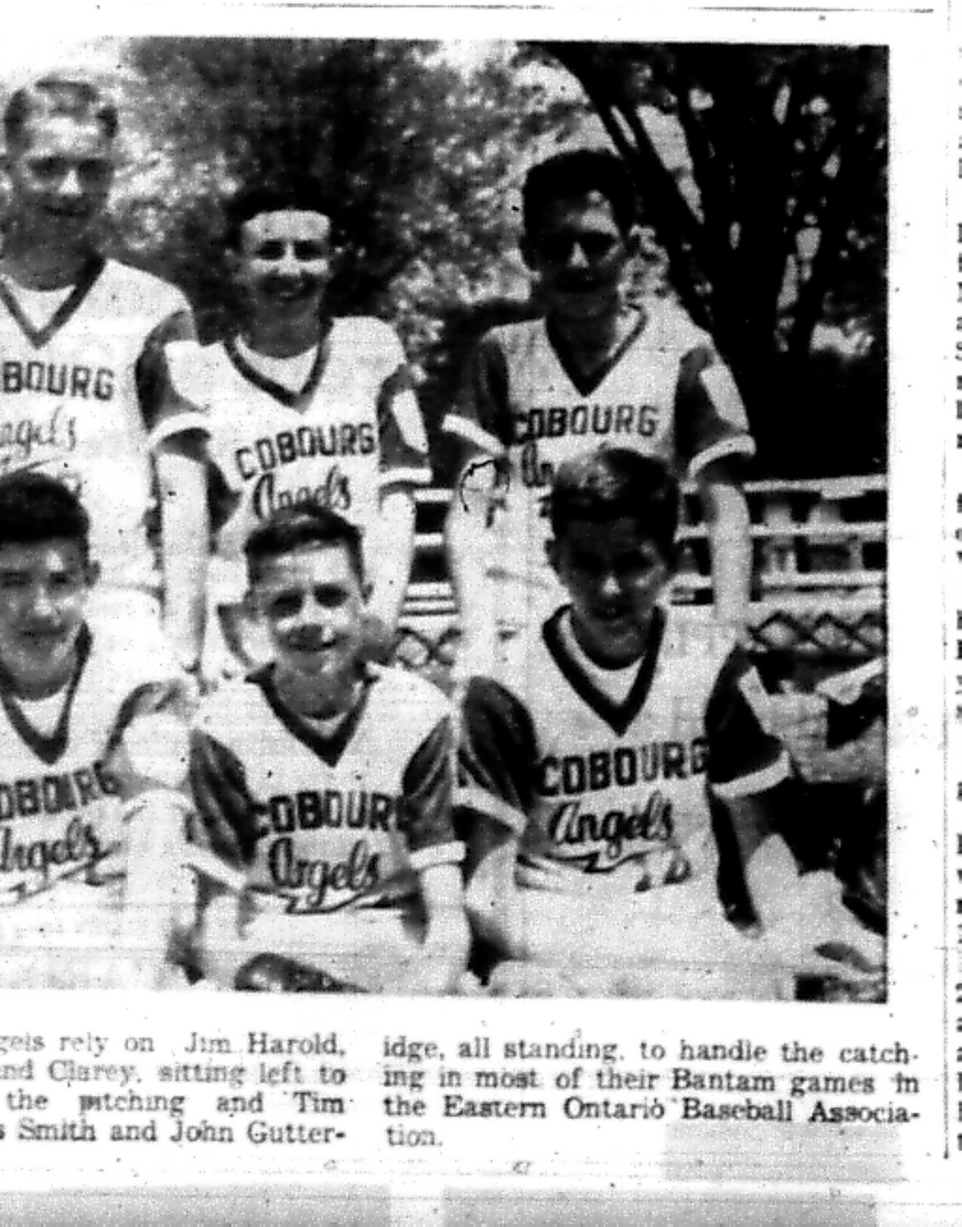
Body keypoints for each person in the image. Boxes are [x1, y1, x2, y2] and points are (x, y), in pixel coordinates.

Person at [457, 449, 883, 999]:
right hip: (555, 924)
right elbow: (485, 892)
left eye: (633, 562)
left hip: (680, 918)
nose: (609, 588)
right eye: (586, 563)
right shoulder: (505, 685)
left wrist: (784, 935)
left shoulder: (711, 664)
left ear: (675, 560)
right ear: (553, 559)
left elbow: (760, 842)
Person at [0, 75, 204, 675]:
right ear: (8, 168)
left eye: (92, 169)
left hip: (111, 600)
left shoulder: (158, 308)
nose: (70, 188)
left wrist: (182, 644)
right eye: (47, 166)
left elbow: (183, 485)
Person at [442, 149, 754, 675]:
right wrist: (477, 635)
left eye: (596, 243)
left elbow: (725, 506)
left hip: (631, 610)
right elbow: (470, 506)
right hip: (522, 615)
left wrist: (729, 632)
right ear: (528, 253)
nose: (577, 263)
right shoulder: (501, 353)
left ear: (631, 248)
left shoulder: (681, 350)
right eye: (556, 246)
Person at [0, 472, 195, 989]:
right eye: (13, 582)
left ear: (90, 578)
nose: (40, 608)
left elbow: (155, 844)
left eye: (60, 581)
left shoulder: (140, 681)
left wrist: (131, 977)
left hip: (115, 923)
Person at [186, 505, 469, 994]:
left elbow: (448, 922)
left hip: (390, 941)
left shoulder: (418, 712)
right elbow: (215, 933)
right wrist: (283, 986)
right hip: (275, 948)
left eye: (332, 597)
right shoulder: (223, 724)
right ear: (253, 609)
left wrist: (418, 997)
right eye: (286, 603)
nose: (310, 620)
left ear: (367, 597)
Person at [161, 184, 431, 683]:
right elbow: (189, 526)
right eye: (268, 252)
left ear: (334, 261)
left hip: (350, 624)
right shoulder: (198, 373)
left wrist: (380, 620)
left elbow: (397, 498)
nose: (289, 269)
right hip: (248, 635)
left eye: (307, 252)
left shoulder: (370, 348)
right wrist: (201, 649)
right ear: (235, 263)